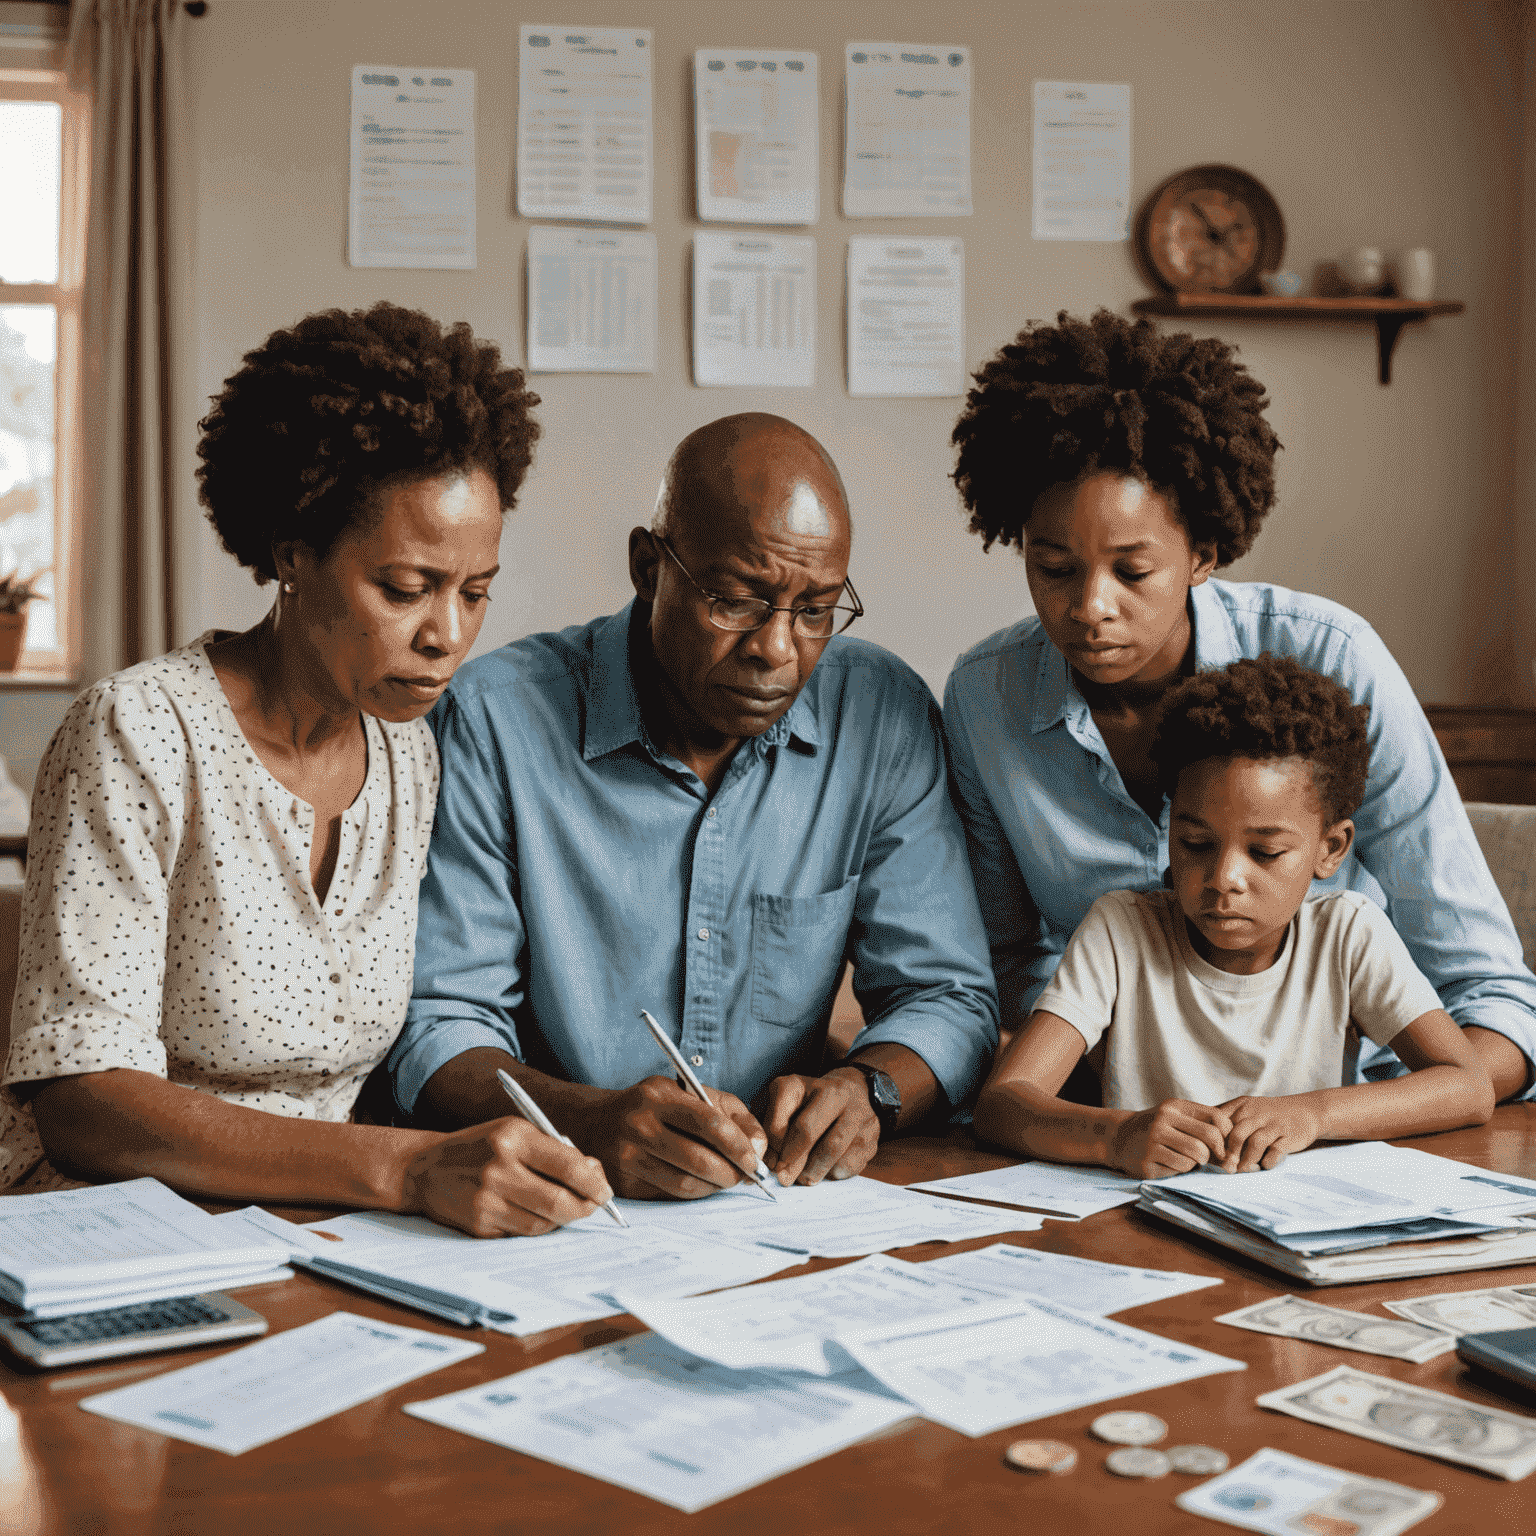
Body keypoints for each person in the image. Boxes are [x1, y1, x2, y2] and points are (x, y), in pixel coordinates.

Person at [0, 302, 615, 1237]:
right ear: (292, 555)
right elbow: (83, 1100)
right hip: (116, 1228)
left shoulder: (409, 751)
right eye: (405, 589)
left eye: (475, 591)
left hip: (333, 1230)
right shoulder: (140, 732)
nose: (446, 635)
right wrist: (404, 1169)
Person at [390, 412, 998, 1199]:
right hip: (561, 1199)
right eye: (737, 600)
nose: (777, 648)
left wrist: (865, 1090)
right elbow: (441, 1025)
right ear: (649, 567)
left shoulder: (878, 717)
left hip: (783, 1209)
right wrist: (589, 1122)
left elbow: (947, 995)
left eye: (815, 610)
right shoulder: (495, 720)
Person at [944, 309, 1536, 1105]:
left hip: (1362, 1110)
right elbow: (1001, 970)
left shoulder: (1332, 658)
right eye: (1053, 568)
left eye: (1133, 572)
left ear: (1204, 555)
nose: (1090, 608)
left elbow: (1490, 992)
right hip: (1122, 1120)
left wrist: (1338, 1111)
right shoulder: (988, 698)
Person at [974, 655, 1495, 1177]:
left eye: (1265, 853)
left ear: (1331, 848)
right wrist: (1116, 1135)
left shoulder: (1347, 935)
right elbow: (1004, 1103)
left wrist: (1311, 1114)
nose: (1223, 878)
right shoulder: (1122, 931)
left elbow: (1469, 1085)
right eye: (1196, 843)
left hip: (1295, 1219)